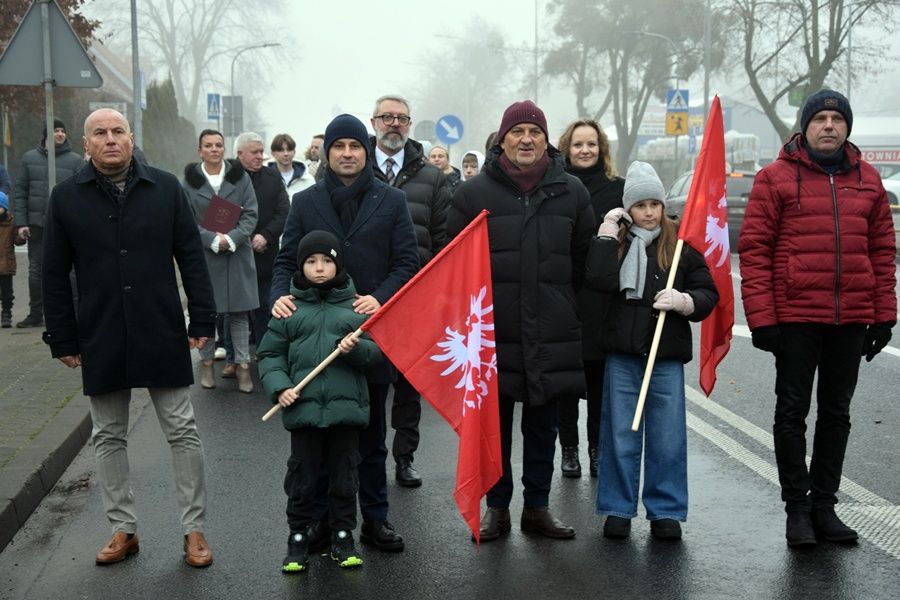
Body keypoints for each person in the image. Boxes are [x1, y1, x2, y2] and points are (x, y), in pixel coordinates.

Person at [41, 108, 217, 567]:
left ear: (132, 137)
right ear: (86, 144)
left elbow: (191, 257)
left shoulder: (164, 188)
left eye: (118, 131)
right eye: (100, 132)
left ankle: (194, 530)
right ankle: (123, 529)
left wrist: (202, 319)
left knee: (182, 429)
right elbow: (53, 272)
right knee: (108, 434)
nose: (110, 139)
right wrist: (61, 336)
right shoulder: (66, 197)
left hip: (160, 325)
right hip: (100, 329)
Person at [739, 89, 896, 547]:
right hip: (795, 318)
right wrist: (763, 319)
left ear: (847, 127)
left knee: (837, 413)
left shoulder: (868, 180)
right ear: (804, 127)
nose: (829, 125)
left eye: (837, 119)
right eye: (820, 118)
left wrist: (884, 316)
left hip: (850, 319)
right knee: (791, 412)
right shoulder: (774, 178)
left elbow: (884, 252)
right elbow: (754, 250)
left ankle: (825, 507)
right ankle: (798, 510)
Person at [270, 114, 419, 553]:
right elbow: (285, 261)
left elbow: (407, 263)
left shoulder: (391, 201)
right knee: (317, 441)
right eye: (340, 147)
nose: (348, 154)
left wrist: (381, 298)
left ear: (366, 151)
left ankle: (375, 519)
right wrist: (281, 296)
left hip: (368, 341)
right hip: (315, 344)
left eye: (356, 146)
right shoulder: (305, 202)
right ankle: (317, 521)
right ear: (327, 153)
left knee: (370, 440)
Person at [448, 100, 595, 542]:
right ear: (503, 139)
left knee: (543, 426)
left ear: (546, 140)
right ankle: (497, 508)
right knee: (494, 429)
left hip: (551, 331)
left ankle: (537, 508)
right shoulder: (472, 194)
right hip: (493, 334)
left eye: (535, 131)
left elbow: (585, 263)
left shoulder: (572, 191)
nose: (526, 139)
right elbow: (450, 266)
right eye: (518, 132)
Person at [586, 161, 718, 541]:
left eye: (654, 205)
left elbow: (708, 294)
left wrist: (684, 300)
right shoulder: (618, 244)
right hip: (623, 356)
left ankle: (665, 510)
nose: (648, 212)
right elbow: (597, 281)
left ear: (663, 206)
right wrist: (606, 235)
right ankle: (617, 508)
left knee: (667, 436)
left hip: (665, 356)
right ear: (628, 209)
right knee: (620, 434)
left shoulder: (680, 247)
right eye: (640, 205)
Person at [259, 230, 382, 572]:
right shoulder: (289, 310)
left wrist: (356, 349)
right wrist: (280, 387)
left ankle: (343, 536)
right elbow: (269, 355)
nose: (319, 268)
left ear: (338, 264)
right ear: (301, 266)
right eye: (311, 261)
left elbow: (376, 354)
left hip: (346, 412)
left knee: (345, 477)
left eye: (327, 261)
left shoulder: (356, 307)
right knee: (303, 478)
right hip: (304, 410)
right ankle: (297, 539)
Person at [369, 94, 451, 488]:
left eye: (401, 118)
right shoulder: (353, 166)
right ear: (374, 123)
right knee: (366, 382)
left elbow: (442, 239)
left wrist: (435, 294)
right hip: (364, 297)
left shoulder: (431, 177)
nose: (394, 124)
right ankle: (367, 457)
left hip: (414, 298)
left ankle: (405, 457)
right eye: (387, 117)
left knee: (408, 384)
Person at [556, 119, 625, 478]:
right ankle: (569, 449)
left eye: (592, 144)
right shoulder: (554, 187)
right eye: (578, 144)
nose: (585, 150)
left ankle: (598, 447)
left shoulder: (619, 190)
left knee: (599, 380)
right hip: (562, 293)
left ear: (602, 149)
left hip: (603, 297)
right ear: (567, 148)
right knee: (567, 379)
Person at [182, 129, 259, 393]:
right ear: (199, 150)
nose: (214, 149)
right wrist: (212, 240)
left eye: (218, 145)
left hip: (237, 254)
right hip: (205, 256)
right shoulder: (189, 183)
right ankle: (206, 365)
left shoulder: (241, 178)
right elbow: (187, 220)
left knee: (239, 313)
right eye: (208, 145)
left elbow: (251, 213)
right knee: (206, 311)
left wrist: (232, 238)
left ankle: (244, 367)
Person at [11, 118, 83, 328]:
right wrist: (21, 223)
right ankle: (36, 314)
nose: (60, 134)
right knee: (36, 271)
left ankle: (77, 313)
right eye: (55, 130)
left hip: (67, 227)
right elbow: (20, 192)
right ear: (46, 135)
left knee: (71, 272)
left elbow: (82, 195)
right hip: (37, 226)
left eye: (62, 130)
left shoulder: (76, 161)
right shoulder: (29, 159)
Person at [268, 133, 316, 200]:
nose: (286, 154)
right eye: (281, 150)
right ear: (273, 154)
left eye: (289, 149)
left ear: (294, 152)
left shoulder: (308, 180)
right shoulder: (265, 179)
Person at [0, 190, 15, 328]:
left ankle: (6, 313)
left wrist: (21, 236)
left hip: (6, 265)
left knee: (7, 293)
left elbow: (17, 240)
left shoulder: (11, 222)